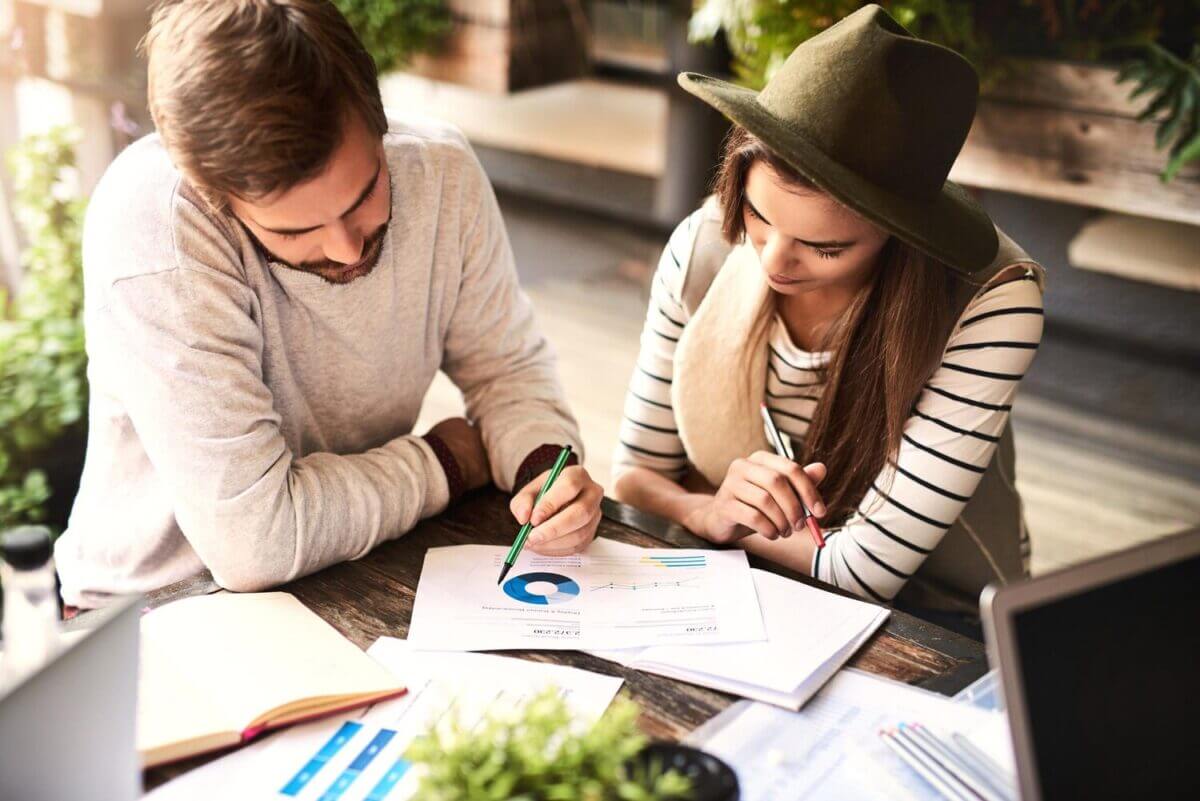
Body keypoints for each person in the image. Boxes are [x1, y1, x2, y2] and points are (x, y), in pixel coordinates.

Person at [54, 0, 604, 609]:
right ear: (219, 198)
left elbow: (507, 369)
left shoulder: (442, 173)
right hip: (150, 614)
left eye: (364, 193)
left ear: (380, 122)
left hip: (346, 570)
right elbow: (254, 543)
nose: (345, 249)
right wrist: (449, 459)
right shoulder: (154, 227)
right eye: (295, 231)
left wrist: (542, 465)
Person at [611, 4, 1045, 616]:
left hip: (941, 613)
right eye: (760, 216)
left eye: (826, 247)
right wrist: (706, 511)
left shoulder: (990, 298)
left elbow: (862, 574)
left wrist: (709, 514)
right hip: (743, 585)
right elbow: (634, 476)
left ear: (903, 236)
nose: (775, 262)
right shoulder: (707, 242)